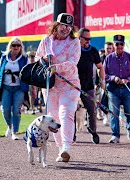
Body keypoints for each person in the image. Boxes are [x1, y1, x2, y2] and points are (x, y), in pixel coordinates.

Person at [35, 13, 81, 162]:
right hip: (50, 86)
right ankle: (61, 149)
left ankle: (67, 146)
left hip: (69, 84)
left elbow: (73, 62)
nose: (66, 29)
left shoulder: (75, 42)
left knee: (65, 113)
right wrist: (43, 60)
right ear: (56, 25)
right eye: (63, 25)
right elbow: (37, 58)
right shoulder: (46, 41)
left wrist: (57, 67)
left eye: (69, 26)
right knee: (53, 118)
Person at [0, 36, 29, 140]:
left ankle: (14, 132)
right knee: (5, 110)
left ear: (21, 47)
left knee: (17, 110)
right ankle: (9, 126)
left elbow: (28, 73)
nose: (16, 47)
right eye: (14, 45)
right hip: (6, 87)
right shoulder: (4, 57)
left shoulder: (24, 58)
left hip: (19, 87)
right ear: (10, 46)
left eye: (18, 45)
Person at [104, 34, 130, 143]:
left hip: (127, 88)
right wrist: (113, 78)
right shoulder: (108, 58)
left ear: (124, 45)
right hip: (113, 89)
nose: (119, 46)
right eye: (117, 44)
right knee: (114, 112)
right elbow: (104, 74)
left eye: (121, 44)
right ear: (114, 45)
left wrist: (128, 79)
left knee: (129, 111)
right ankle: (115, 135)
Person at [74, 27, 106, 144]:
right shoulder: (73, 50)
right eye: (86, 39)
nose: (88, 41)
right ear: (79, 38)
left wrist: (102, 80)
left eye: (90, 38)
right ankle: (71, 134)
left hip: (88, 86)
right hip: (73, 85)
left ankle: (93, 131)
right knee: (72, 111)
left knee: (91, 110)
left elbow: (100, 67)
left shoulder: (93, 51)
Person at [97, 41, 115, 126]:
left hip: (113, 82)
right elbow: (97, 71)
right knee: (102, 99)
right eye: (107, 48)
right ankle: (105, 116)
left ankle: (112, 118)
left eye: (110, 48)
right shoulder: (101, 58)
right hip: (102, 82)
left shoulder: (115, 58)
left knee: (112, 100)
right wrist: (98, 82)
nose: (108, 50)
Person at [26, 50, 39, 115]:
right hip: (30, 82)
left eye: (33, 56)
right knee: (31, 95)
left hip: (38, 82)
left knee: (38, 94)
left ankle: (38, 107)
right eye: (30, 57)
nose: (32, 58)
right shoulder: (27, 65)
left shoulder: (37, 64)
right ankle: (32, 108)